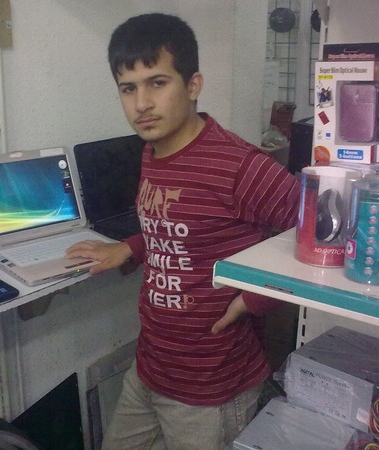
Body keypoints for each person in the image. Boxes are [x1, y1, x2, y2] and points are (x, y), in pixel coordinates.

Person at [66, 13, 300, 449]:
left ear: (193, 85)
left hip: (211, 387)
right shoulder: (152, 151)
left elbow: (319, 236)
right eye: (128, 88)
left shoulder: (239, 165)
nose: (141, 104)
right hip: (151, 367)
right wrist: (130, 247)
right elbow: (184, 228)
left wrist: (256, 298)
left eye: (157, 83)